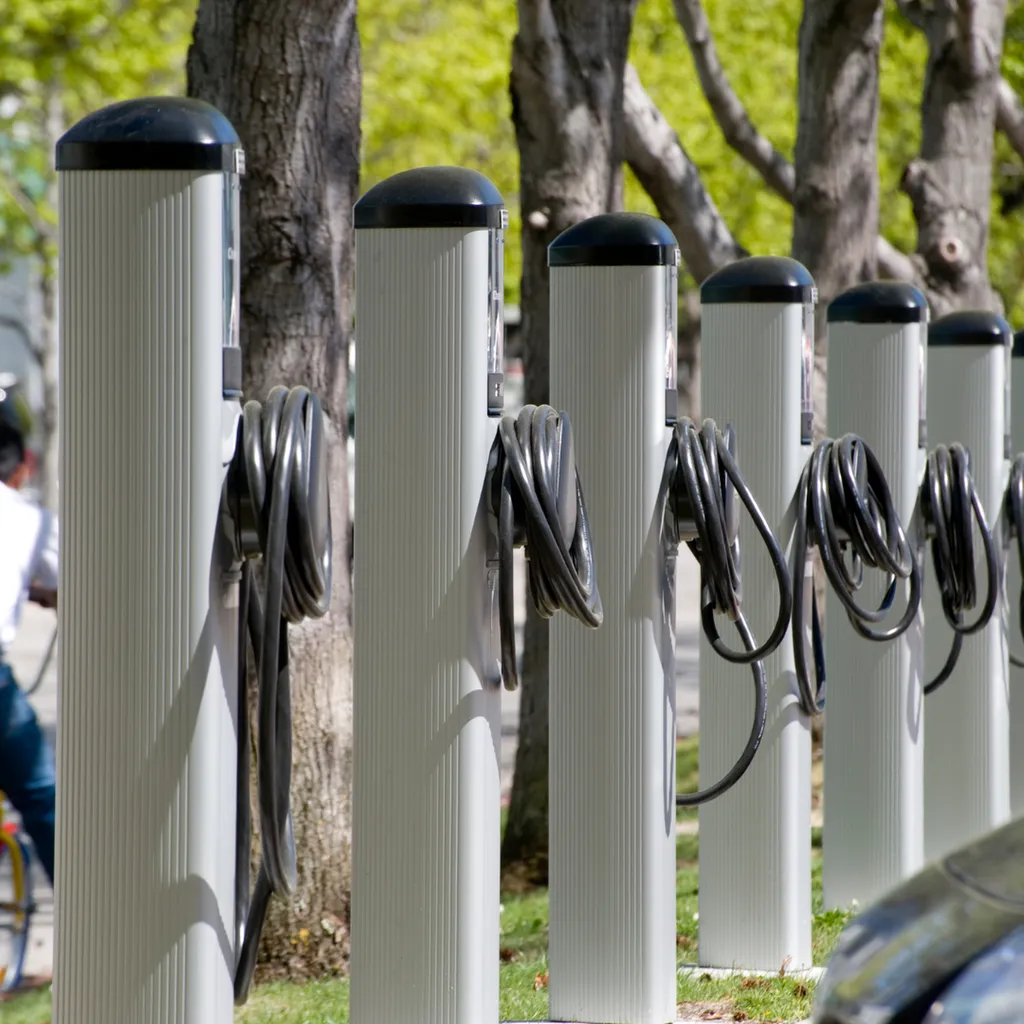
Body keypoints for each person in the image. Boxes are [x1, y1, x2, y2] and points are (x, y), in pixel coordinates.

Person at [0, 375, 57, 886]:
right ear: (22, 465)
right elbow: (67, 584)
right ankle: (93, 915)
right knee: (43, 798)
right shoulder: (27, 518)